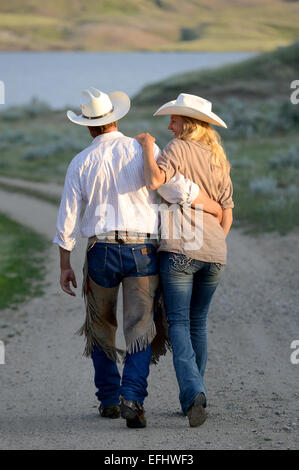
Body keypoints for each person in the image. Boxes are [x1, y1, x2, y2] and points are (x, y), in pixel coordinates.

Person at [53, 88, 222, 429]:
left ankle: (109, 399)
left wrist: (64, 263)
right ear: (116, 119)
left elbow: (67, 217)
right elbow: (172, 187)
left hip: (99, 250)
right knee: (140, 327)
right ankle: (133, 397)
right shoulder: (140, 148)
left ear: (88, 127)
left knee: (100, 325)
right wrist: (210, 204)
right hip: (142, 251)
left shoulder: (80, 162)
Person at [135, 93, 234, 427]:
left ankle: (194, 394)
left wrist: (148, 146)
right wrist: (214, 241)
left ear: (187, 123)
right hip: (215, 253)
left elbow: (153, 181)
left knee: (177, 322)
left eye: (174, 120)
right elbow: (227, 212)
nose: (169, 125)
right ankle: (193, 397)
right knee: (198, 323)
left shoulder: (175, 148)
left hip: (180, 248)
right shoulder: (220, 158)